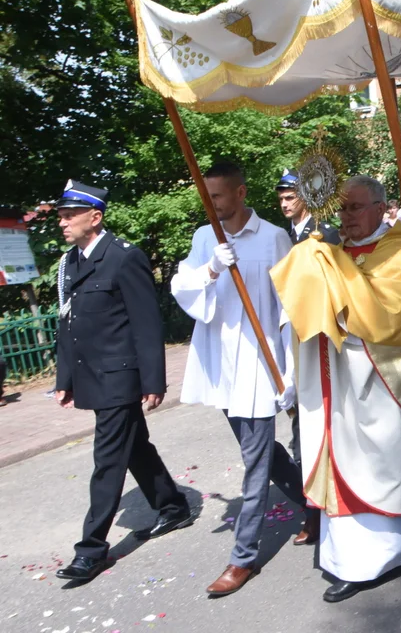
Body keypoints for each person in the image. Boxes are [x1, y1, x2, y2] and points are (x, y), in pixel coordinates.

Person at [270, 175, 401, 603]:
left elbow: (391, 315)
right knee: (356, 464)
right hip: (344, 380)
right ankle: (365, 561)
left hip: (396, 381)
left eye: (354, 208)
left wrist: (326, 263)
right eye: (341, 209)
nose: (345, 218)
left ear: (381, 209)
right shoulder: (336, 253)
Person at [171, 162, 304, 596]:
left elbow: (290, 308)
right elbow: (182, 287)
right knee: (263, 453)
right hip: (223, 367)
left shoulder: (273, 238)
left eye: (218, 196)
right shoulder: (204, 236)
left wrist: (289, 371)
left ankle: (243, 558)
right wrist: (210, 268)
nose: (210, 204)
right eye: (206, 197)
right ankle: (316, 503)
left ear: (241, 193)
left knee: (255, 462)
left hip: (260, 366)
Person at [52, 180, 193, 583]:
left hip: (121, 378)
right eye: (61, 216)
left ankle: (91, 550)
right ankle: (173, 507)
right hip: (92, 377)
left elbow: (147, 325)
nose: (62, 223)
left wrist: (154, 381)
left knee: (107, 460)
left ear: (94, 218)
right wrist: (66, 377)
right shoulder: (70, 262)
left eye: (69, 215)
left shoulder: (123, 258)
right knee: (135, 448)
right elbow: (68, 325)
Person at [275, 167, 337, 547]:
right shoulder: (288, 236)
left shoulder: (321, 233)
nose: (285, 204)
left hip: (316, 343)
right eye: (281, 198)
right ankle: (313, 509)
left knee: (314, 434)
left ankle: (317, 515)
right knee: (303, 434)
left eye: (290, 197)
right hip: (293, 341)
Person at [276, 168, 341, 245]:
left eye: (289, 198)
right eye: (281, 199)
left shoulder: (326, 234)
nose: (283, 205)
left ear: (305, 197)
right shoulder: (282, 236)